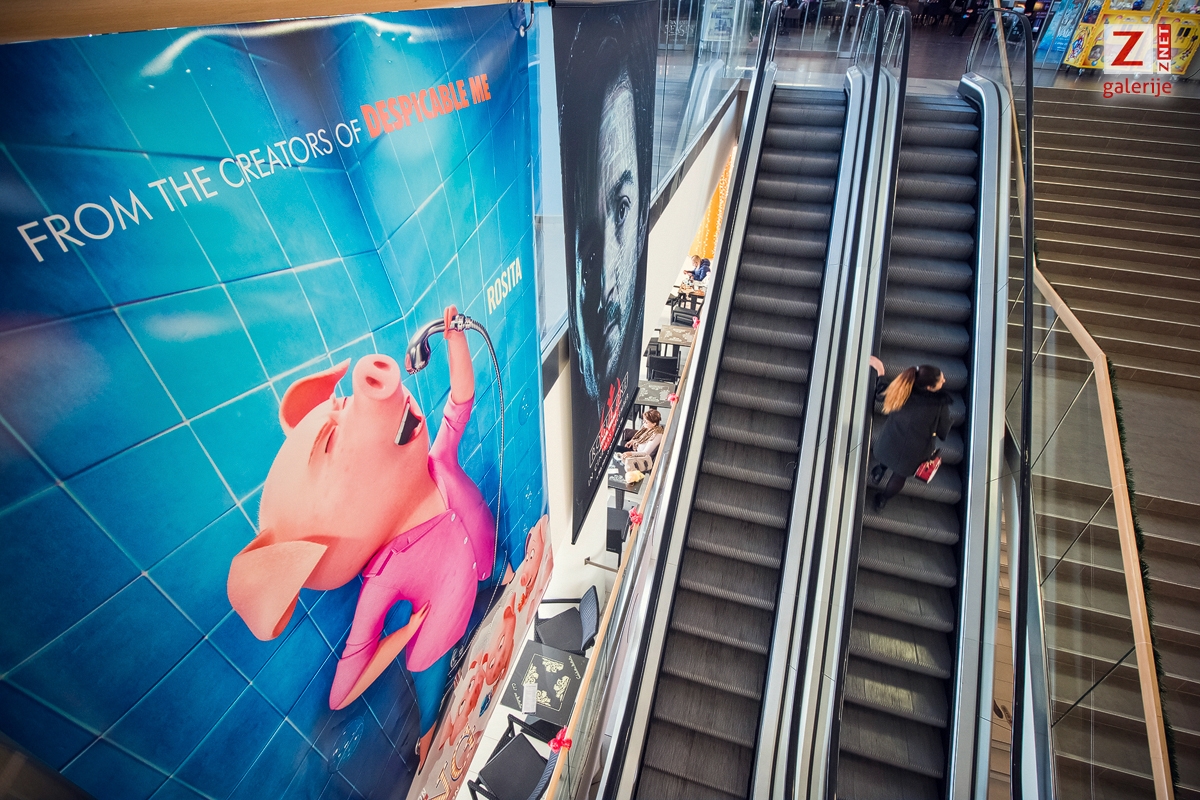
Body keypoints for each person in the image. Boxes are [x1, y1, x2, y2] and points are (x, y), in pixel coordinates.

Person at [867, 357, 951, 511]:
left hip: (891, 439)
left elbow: (881, 395)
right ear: (929, 388)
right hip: (914, 452)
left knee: (888, 456)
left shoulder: (904, 389)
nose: (944, 381)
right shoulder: (940, 404)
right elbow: (942, 433)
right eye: (941, 380)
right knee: (899, 477)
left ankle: (879, 471)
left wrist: (880, 370)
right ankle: (882, 499)